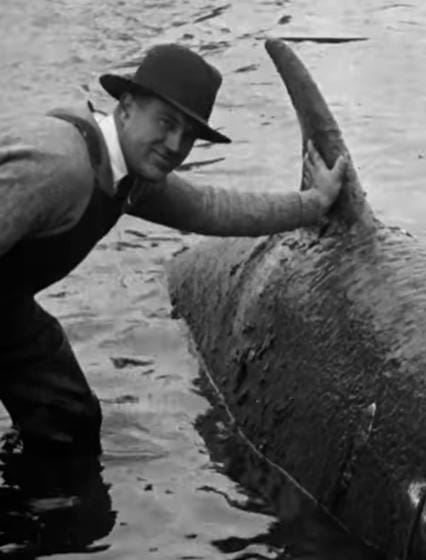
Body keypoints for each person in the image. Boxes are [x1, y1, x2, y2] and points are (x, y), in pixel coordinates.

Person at [0, 43, 348, 459]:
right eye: (165, 122)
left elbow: (211, 208)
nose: (174, 144)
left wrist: (313, 203)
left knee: (67, 419)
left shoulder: (128, 173)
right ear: (126, 108)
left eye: (188, 135)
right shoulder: (60, 168)